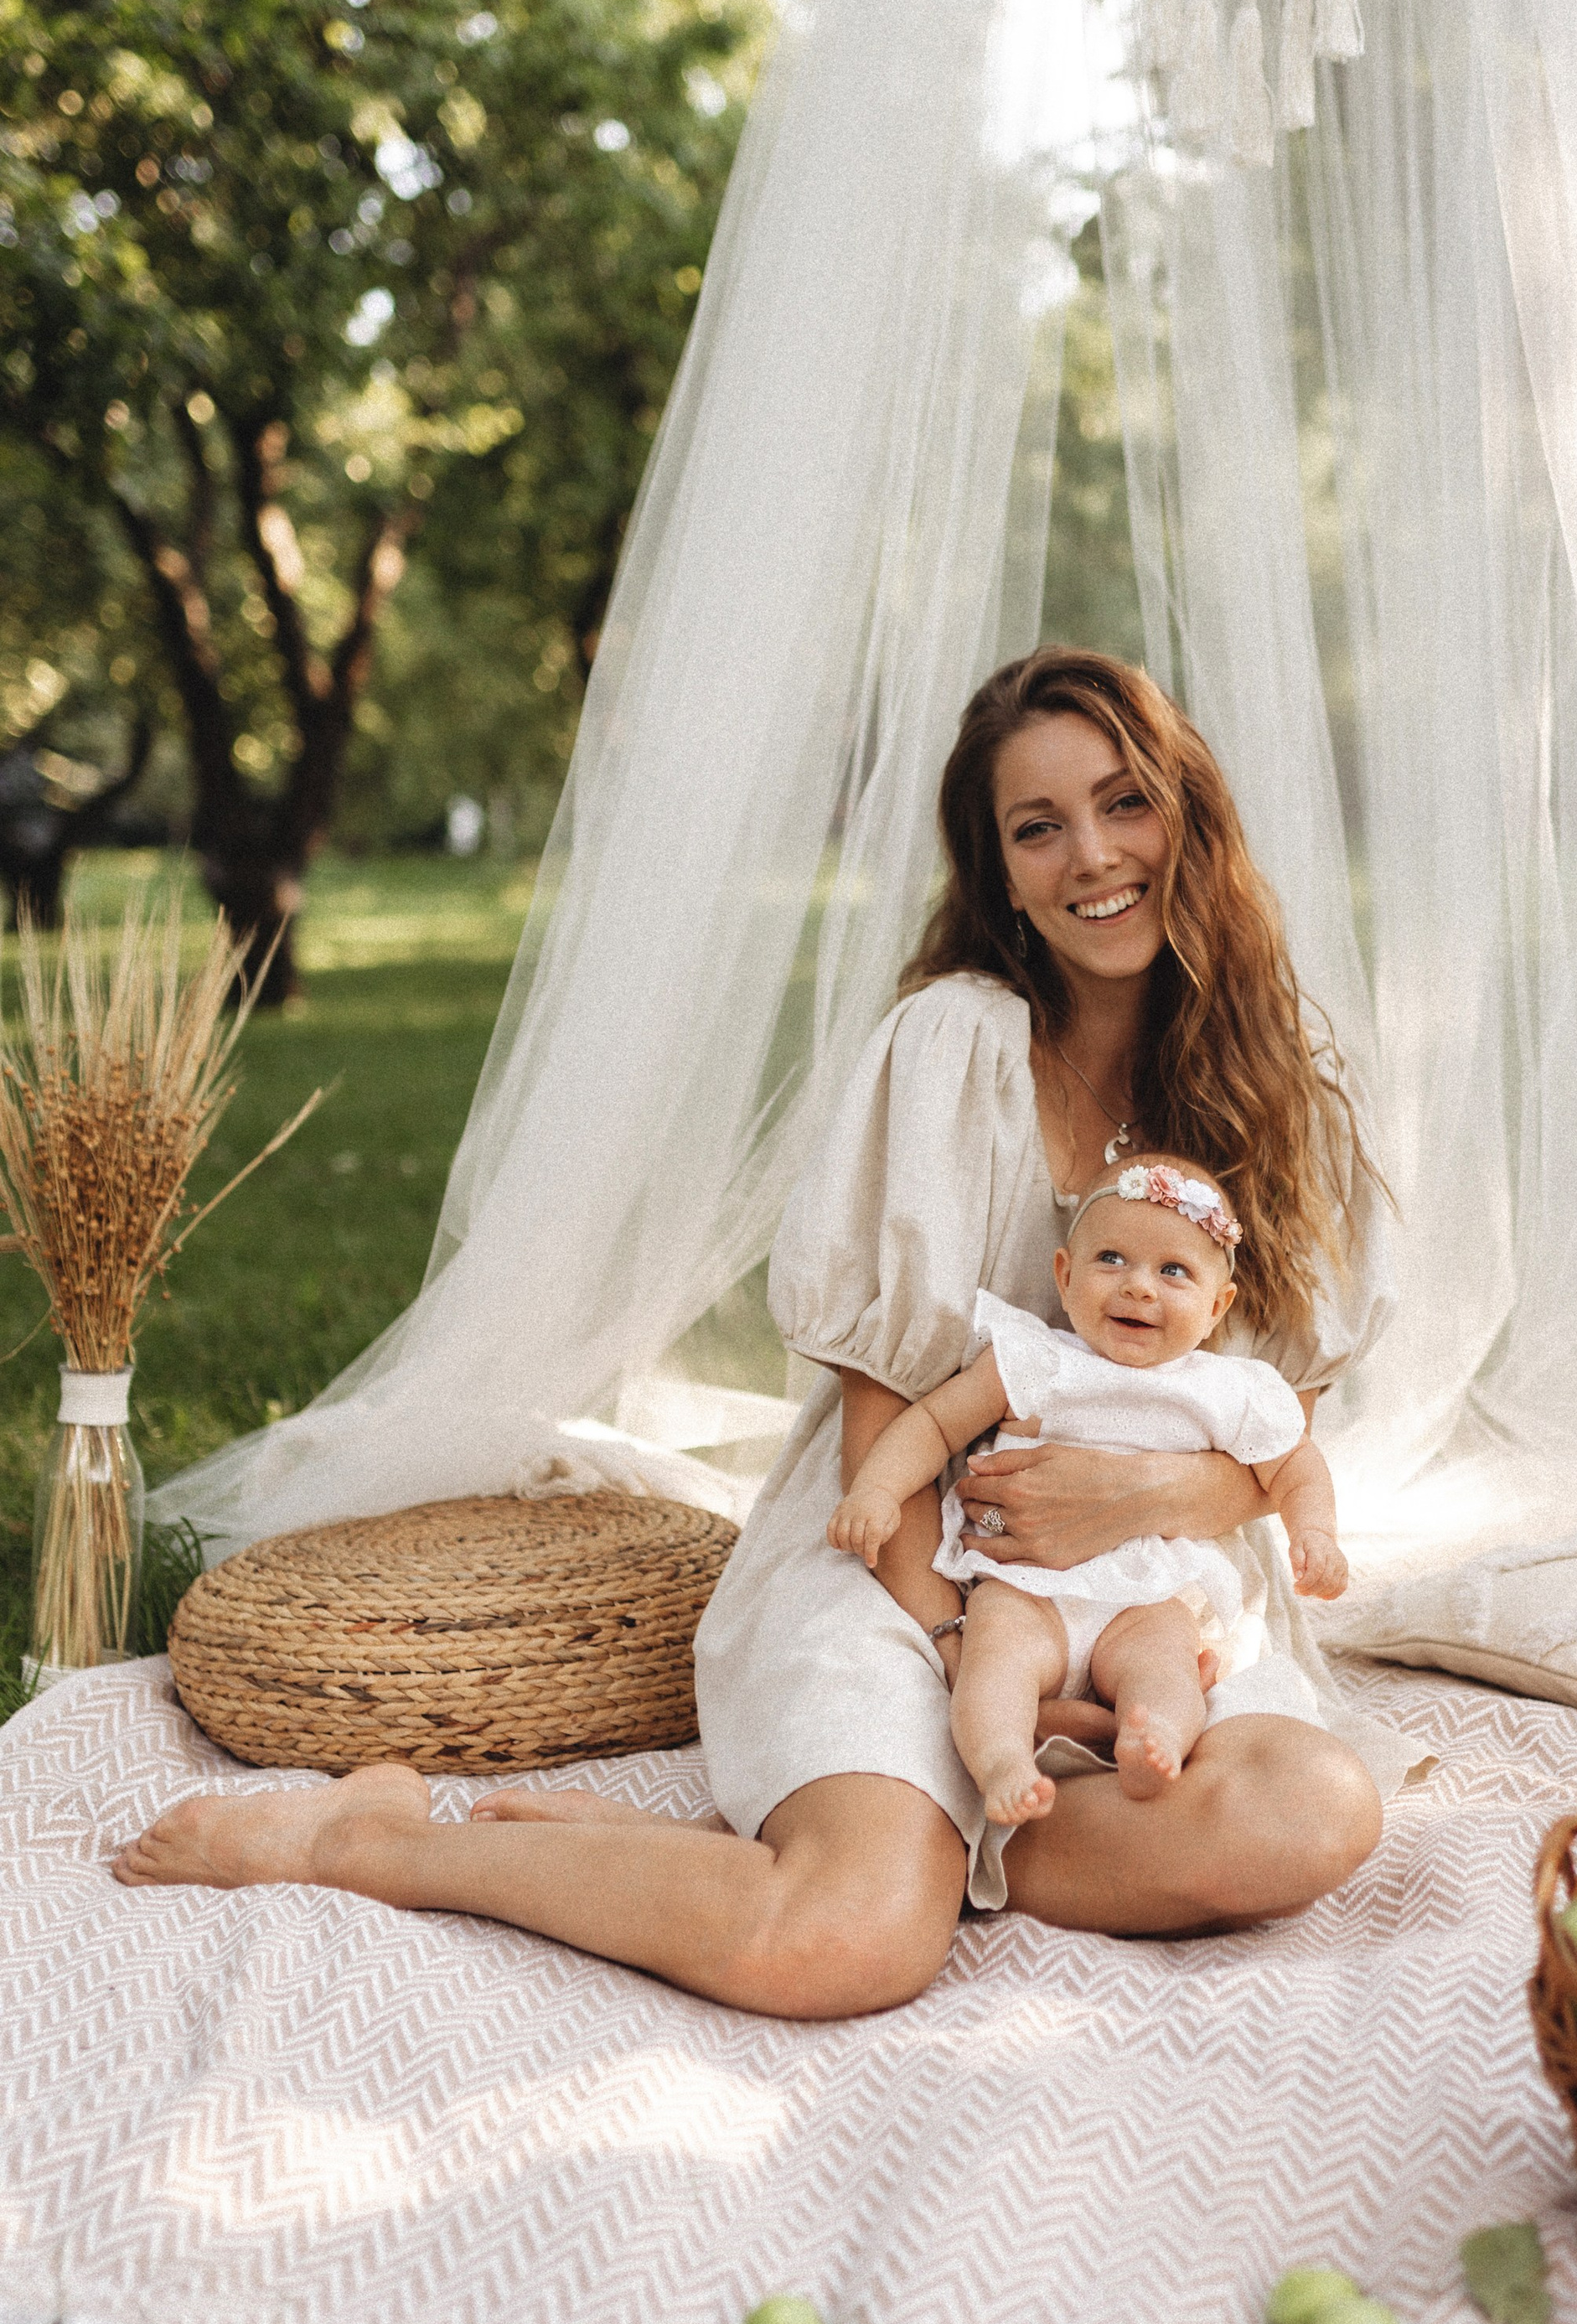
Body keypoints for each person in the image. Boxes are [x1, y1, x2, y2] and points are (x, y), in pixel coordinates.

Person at [113, 647, 1393, 2018]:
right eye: (1039, 827)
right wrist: (977, 1656)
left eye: (1125, 802)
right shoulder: (954, 1046)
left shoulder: (1266, 1085)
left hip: (1157, 1602)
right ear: (1002, 876)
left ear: (1187, 811)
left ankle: (868, 1837)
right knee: (844, 1945)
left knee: (1313, 1815)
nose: (1093, 853)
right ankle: (383, 1843)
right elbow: (871, 1431)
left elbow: (1281, 1432)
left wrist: (1134, 1503)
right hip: (903, 1564)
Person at [830, 1157, 1347, 1825]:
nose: (1138, 1288)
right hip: (1025, 1592)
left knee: (1170, 1668)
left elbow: (1296, 1466)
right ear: (1065, 1277)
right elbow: (930, 1424)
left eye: (1173, 1271)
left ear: (1219, 1306)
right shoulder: (1035, 1361)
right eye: (1112, 1259)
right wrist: (875, 1490)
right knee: (995, 1663)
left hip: (1144, 1599)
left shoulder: (1227, 1390)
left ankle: (1152, 1736)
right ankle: (1002, 1763)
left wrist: (1315, 1533)